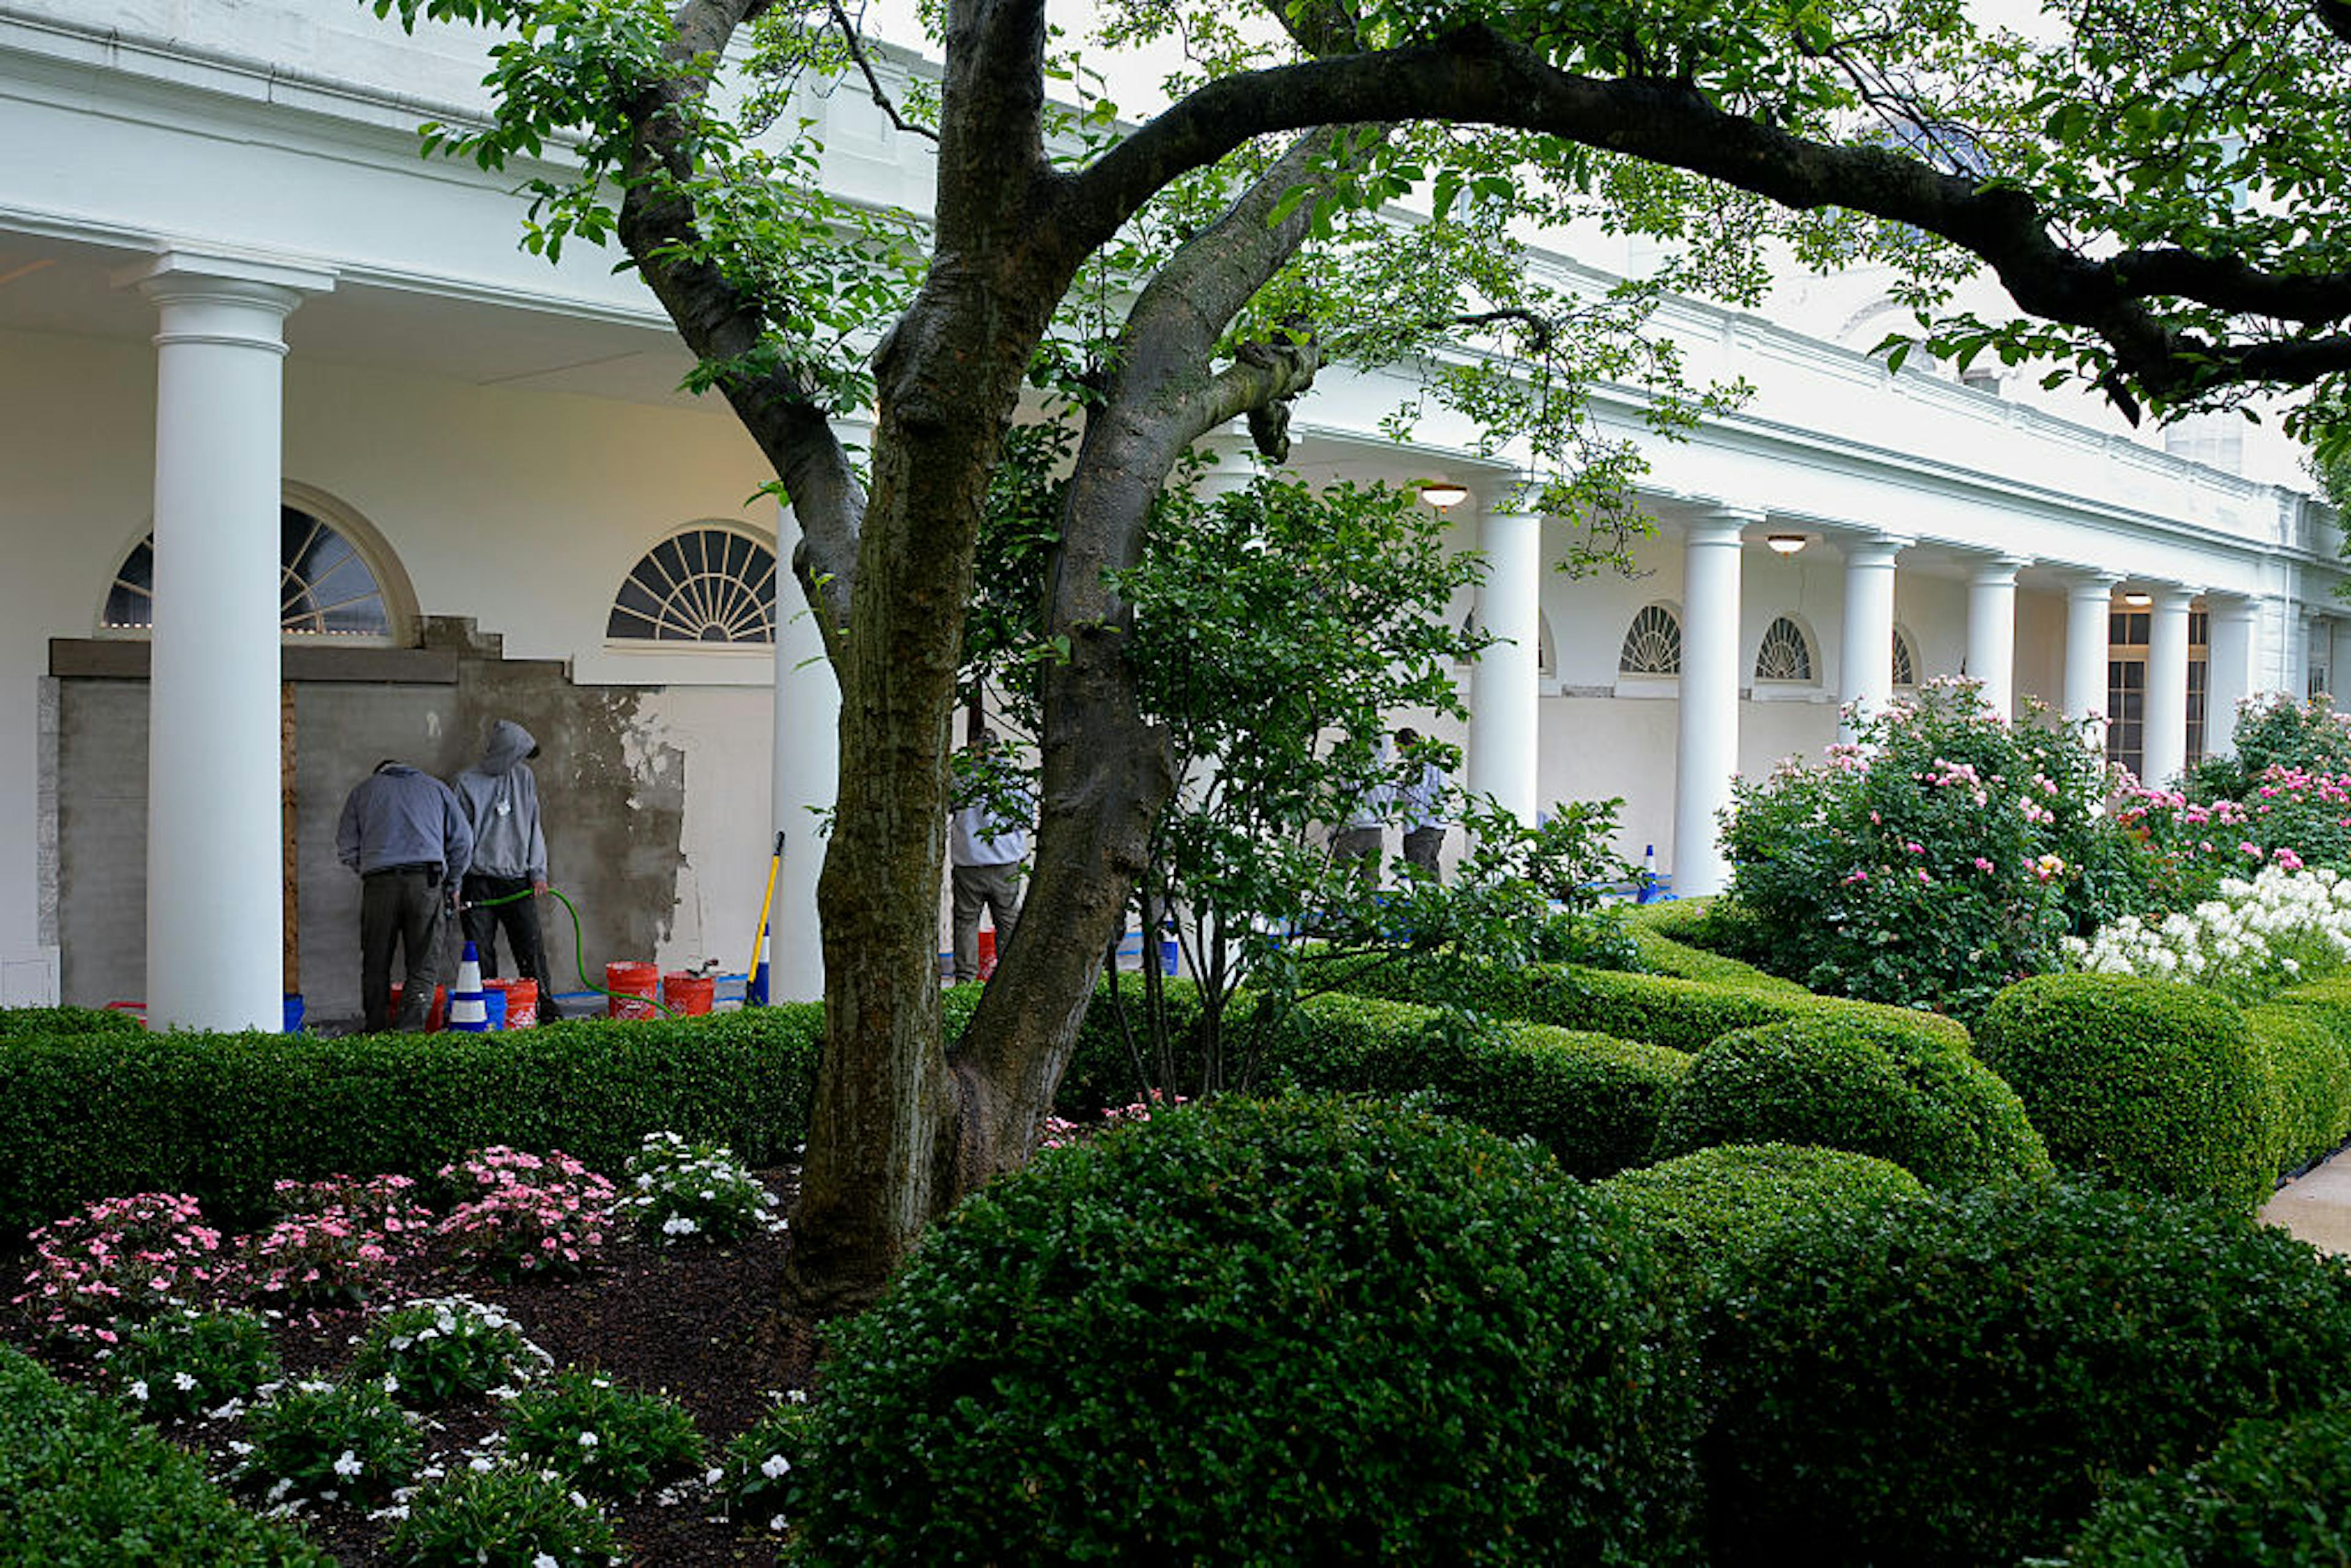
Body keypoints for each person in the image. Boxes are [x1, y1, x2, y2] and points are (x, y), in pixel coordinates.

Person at [337, 759, 473, 1033]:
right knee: (423, 964)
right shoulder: (436, 788)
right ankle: (408, 1034)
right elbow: (463, 841)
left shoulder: (363, 791)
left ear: (380, 772)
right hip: (426, 880)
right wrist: (453, 882)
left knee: (376, 960)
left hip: (379, 883)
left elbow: (347, 845)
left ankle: (375, 1030)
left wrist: (369, 869)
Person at [453, 719, 562, 1022]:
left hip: (517, 880)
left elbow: (533, 825)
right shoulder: (466, 783)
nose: (519, 762)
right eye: (516, 755)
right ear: (503, 752)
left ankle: (545, 1008)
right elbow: (459, 838)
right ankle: (488, 1012)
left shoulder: (524, 778)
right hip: (478, 881)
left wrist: (538, 872)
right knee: (481, 951)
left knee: (530, 945)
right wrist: (456, 883)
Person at [950, 729, 1030, 985]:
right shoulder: (1014, 777)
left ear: (973, 748)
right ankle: (1009, 979)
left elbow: (948, 807)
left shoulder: (959, 776)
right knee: (1007, 920)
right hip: (1006, 863)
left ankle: (966, 980)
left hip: (968, 862)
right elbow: (1025, 819)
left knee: (966, 922)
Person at [1328, 733, 1390, 884]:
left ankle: (1333, 908)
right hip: (1376, 831)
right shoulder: (1387, 773)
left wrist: (1335, 830)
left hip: (1354, 829)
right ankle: (1368, 908)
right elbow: (1390, 804)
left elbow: (1344, 798)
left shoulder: (1355, 770)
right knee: (1370, 881)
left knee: (1338, 879)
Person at [1393, 727, 1452, 880]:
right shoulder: (1435, 761)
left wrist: (1396, 787)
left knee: (1418, 872)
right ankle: (1436, 903)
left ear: (1409, 745)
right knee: (1431, 870)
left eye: (1400, 749)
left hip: (1422, 826)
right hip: (1437, 825)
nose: (1400, 754)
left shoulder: (1420, 765)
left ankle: (1424, 902)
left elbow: (1414, 794)